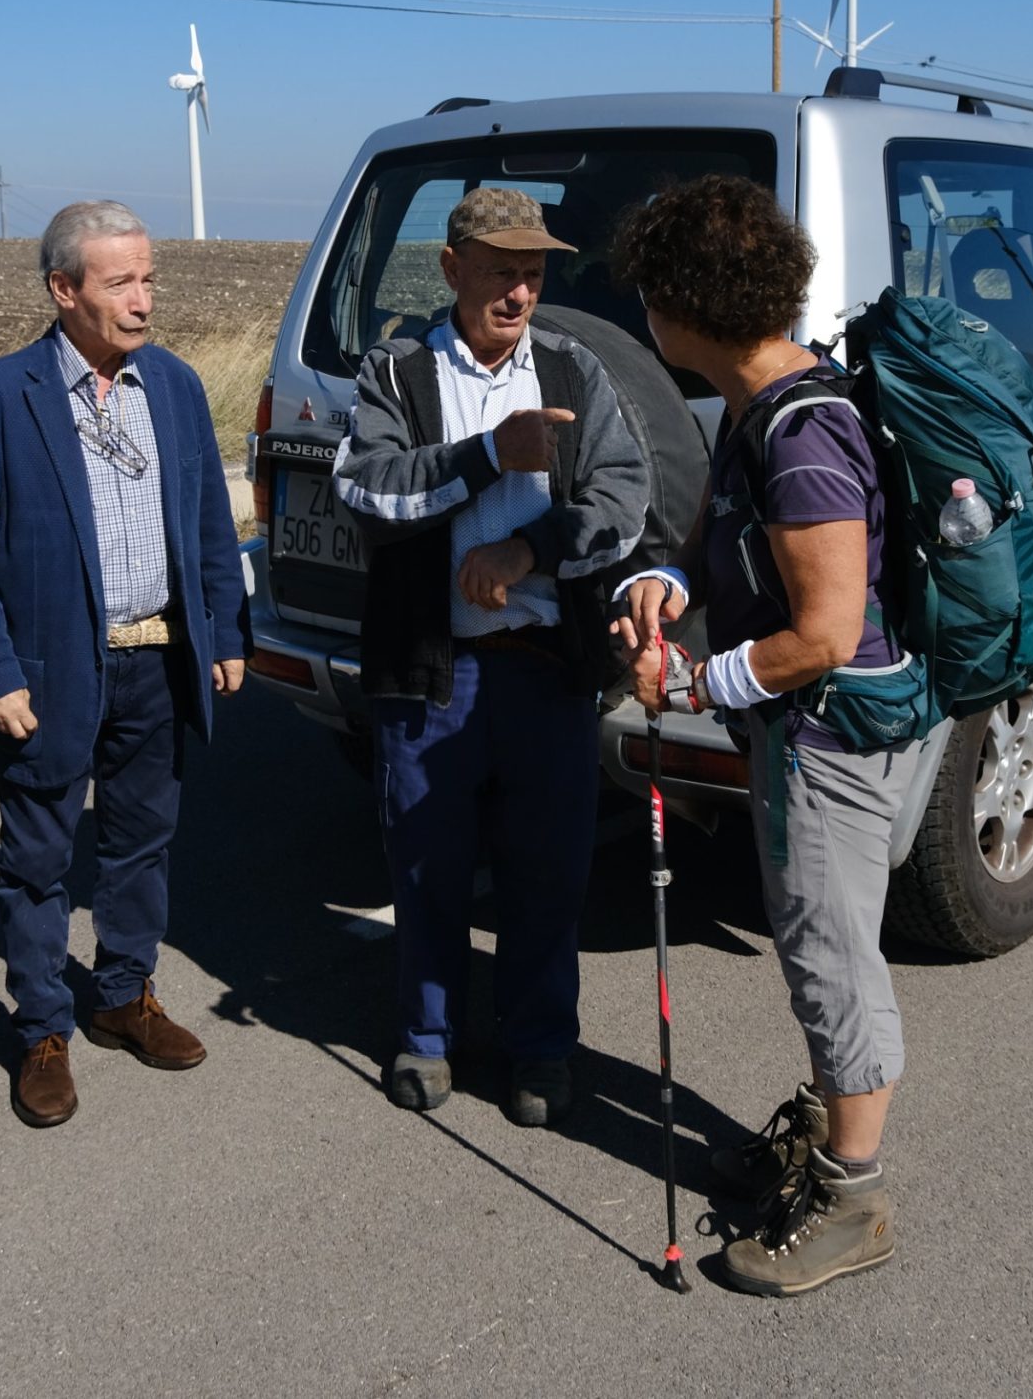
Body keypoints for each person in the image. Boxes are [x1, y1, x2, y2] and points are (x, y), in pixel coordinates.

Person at [612, 175, 924, 1297]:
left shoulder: (802, 435)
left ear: (684, 309)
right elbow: (715, 544)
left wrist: (695, 682)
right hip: (793, 729)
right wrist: (662, 584)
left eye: (651, 294)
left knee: (830, 955)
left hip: (827, 735)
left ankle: (854, 1198)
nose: (645, 314)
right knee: (815, 943)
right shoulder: (759, 405)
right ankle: (829, 1130)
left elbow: (826, 633)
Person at [332, 186, 649, 1125]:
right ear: (451, 268)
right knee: (427, 865)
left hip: (546, 669)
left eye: (534, 273)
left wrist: (529, 551)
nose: (519, 292)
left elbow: (624, 497)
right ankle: (427, 1038)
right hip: (432, 674)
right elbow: (365, 490)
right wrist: (485, 455)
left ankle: (539, 1048)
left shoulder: (573, 369)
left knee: (547, 872)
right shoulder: (398, 373)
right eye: (501, 271)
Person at [0, 201, 248, 1129]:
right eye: (122, 282)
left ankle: (123, 994)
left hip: (158, 655)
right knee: (37, 859)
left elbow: (209, 520)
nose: (144, 300)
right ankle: (42, 1028)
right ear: (63, 289)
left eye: (149, 279)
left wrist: (225, 630)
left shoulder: (175, 386)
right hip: (50, 670)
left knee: (142, 839)